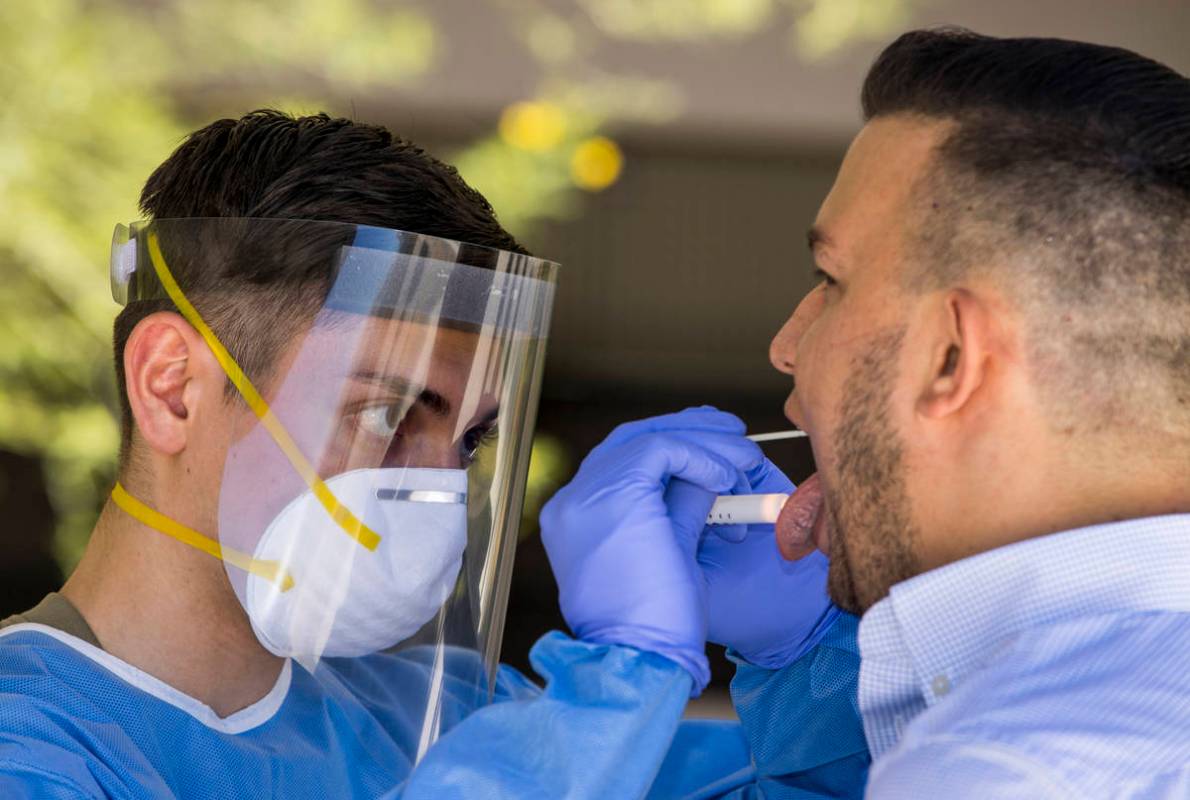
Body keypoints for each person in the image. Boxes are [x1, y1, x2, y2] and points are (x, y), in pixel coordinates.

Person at [0, 111, 785, 798]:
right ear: (173, 388)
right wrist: (621, 680)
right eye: (386, 412)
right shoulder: (29, 746)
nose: (440, 484)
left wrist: (804, 659)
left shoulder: (437, 720)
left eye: (472, 439)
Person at [539, 28, 1190, 798]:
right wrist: (809, 663)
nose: (787, 347)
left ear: (951, 355)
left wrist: (620, 676)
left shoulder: (1011, 769)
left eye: (831, 280)